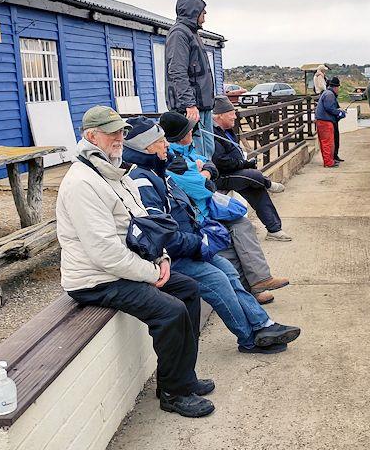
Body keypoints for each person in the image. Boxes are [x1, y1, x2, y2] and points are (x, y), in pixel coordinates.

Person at [57, 106, 214, 418]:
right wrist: (151, 272)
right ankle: (172, 392)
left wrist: (162, 257)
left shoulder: (114, 170)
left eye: (121, 131)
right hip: (95, 280)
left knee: (189, 289)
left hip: (122, 267)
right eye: (111, 132)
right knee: (170, 312)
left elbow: (146, 224)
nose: (119, 138)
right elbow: (105, 253)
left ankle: (184, 376)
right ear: (91, 136)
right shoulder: (81, 183)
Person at [126, 115, 301, 353]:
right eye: (160, 141)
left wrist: (197, 240)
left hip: (189, 245)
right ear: (146, 147)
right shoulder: (143, 180)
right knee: (218, 282)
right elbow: (162, 233)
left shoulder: (158, 171)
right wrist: (198, 244)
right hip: (174, 256)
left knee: (228, 271)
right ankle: (249, 339)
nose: (166, 145)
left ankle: (263, 324)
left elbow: (204, 177)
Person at [210, 96, 291, 242]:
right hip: (220, 176)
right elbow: (221, 162)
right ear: (220, 115)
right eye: (231, 113)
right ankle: (267, 183)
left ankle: (274, 229)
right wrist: (244, 164)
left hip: (235, 173)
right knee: (253, 176)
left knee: (256, 187)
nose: (235, 116)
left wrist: (243, 163)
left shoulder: (227, 129)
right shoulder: (213, 133)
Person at [166, 0, 216, 158]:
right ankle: (201, 182)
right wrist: (189, 104)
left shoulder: (192, 33)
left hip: (203, 105)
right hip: (192, 108)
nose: (205, 17)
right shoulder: (179, 34)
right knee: (197, 154)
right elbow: (177, 70)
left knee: (207, 151)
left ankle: (209, 181)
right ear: (194, 12)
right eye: (203, 12)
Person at [315, 76, 346, 168]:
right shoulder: (329, 95)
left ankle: (329, 160)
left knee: (326, 142)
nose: (338, 90)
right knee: (327, 142)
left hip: (322, 120)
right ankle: (328, 162)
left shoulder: (327, 93)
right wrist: (340, 112)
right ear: (335, 87)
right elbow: (330, 108)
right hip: (325, 121)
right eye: (338, 88)